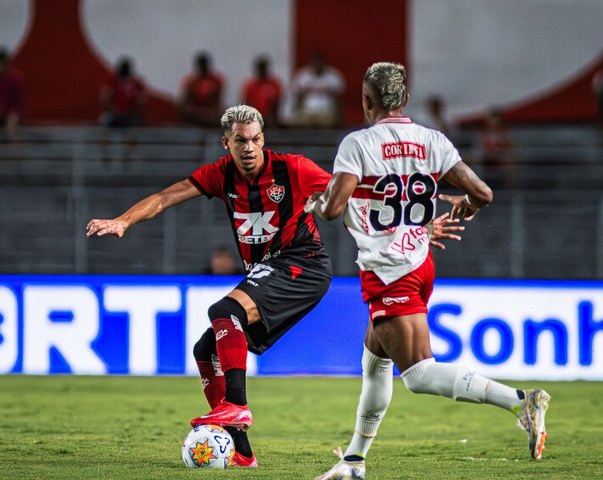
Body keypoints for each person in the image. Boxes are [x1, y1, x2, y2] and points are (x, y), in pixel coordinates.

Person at [85, 104, 461, 469]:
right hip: (268, 270)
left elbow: (355, 196)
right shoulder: (221, 175)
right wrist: (124, 220)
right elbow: (168, 195)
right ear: (226, 144)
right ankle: (242, 450)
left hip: (304, 264)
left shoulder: (293, 168)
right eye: (239, 141)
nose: (248, 148)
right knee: (207, 348)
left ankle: (236, 409)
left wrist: (415, 225)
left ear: (263, 138)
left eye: (253, 139)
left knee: (223, 311)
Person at [308, 62, 551, 480]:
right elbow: (483, 193)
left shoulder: (358, 144)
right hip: (419, 264)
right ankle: (353, 462)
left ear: (366, 101)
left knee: (418, 375)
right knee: (374, 362)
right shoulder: (432, 140)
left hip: (389, 272)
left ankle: (521, 401)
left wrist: (315, 202)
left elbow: (331, 209)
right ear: (404, 100)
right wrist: (466, 206)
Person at [291, 52, 345, 128]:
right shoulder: (303, 76)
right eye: (315, 63)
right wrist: (294, 112)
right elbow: (297, 97)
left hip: (326, 112)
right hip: (307, 111)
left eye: (320, 63)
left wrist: (339, 117)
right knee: (299, 120)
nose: (318, 65)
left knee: (327, 121)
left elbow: (338, 100)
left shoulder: (333, 77)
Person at [0, 46, 24, 137]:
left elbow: (18, 104)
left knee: (11, 123)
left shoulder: (16, 80)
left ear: (7, 64)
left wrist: (6, 111)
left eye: (3, 63)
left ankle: (14, 150)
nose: (1, 66)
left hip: (10, 112)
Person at [178, 52, 225, 127]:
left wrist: (212, 112)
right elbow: (185, 102)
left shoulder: (216, 81)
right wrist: (198, 112)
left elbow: (218, 101)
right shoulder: (191, 81)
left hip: (211, 113)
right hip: (195, 112)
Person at [99, 57, 146, 128]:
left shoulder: (136, 84)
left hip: (130, 115)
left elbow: (141, 103)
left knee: (139, 123)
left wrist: (129, 113)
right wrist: (115, 112)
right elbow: (104, 101)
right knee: (104, 120)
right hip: (113, 114)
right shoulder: (112, 82)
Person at [240, 56, 282, 128]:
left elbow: (276, 104)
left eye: (264, 68)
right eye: (260, 68)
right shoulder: (250, 86)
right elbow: (247, 104)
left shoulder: (274, 85)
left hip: (270, 118)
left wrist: (270, 116)